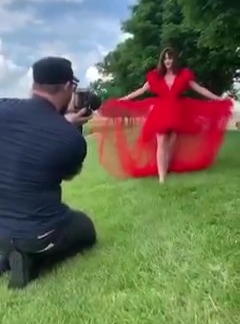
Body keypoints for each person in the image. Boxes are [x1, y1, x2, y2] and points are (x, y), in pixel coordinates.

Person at [0, 56, 97, 289]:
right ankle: (29, 258)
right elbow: (67, 173)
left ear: (34, 84)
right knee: (83, 227)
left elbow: (28, 131)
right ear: (68, 87)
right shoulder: (70, 139)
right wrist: (68, 127)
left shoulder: (3, 106)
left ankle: (5, 254)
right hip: (37, 232)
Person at [94, 47, 233, 183]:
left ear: (174, 59)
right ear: (162, 61)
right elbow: (142, 90)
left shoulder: (183, 75)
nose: (168, 61)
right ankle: (162, 178)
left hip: (178, 112)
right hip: (161, 112)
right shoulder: (156, 76)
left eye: (170, 58)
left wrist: (218, 99)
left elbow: (200, 89)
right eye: (165, 59)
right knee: (161, 142)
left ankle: (166, 167)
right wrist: (124, 98)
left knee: (172, 141)